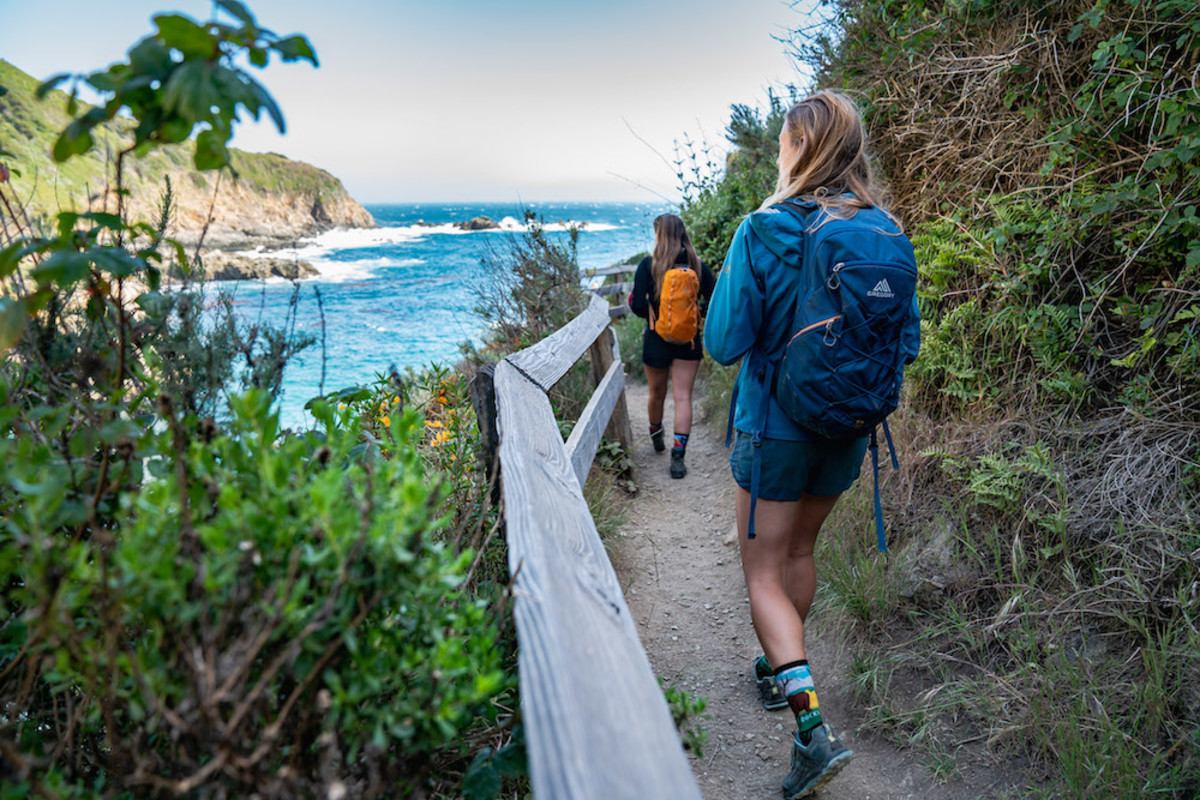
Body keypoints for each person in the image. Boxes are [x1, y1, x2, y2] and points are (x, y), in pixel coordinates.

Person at [703, 91, 920, 799]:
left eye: (784, 140)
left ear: (800, 147)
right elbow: (907, 340)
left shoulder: (764, 229)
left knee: (763, 572)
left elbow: (725, 341)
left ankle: (810, 732)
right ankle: (779, 667)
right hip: (849, 426)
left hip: (774, 427)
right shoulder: (884, 230)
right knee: (801, 553)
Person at [629, 213, 716, 479]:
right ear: (682, 234)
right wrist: (695, 314)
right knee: (683, 398)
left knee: (657, 393)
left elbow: (635, 304)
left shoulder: (649, 265)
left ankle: (657, 435)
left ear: (659, 235)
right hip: (688, 341)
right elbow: (715, 297)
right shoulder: (698, 267)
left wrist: (655, 317)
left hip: (656, 340)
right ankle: (678, 459)